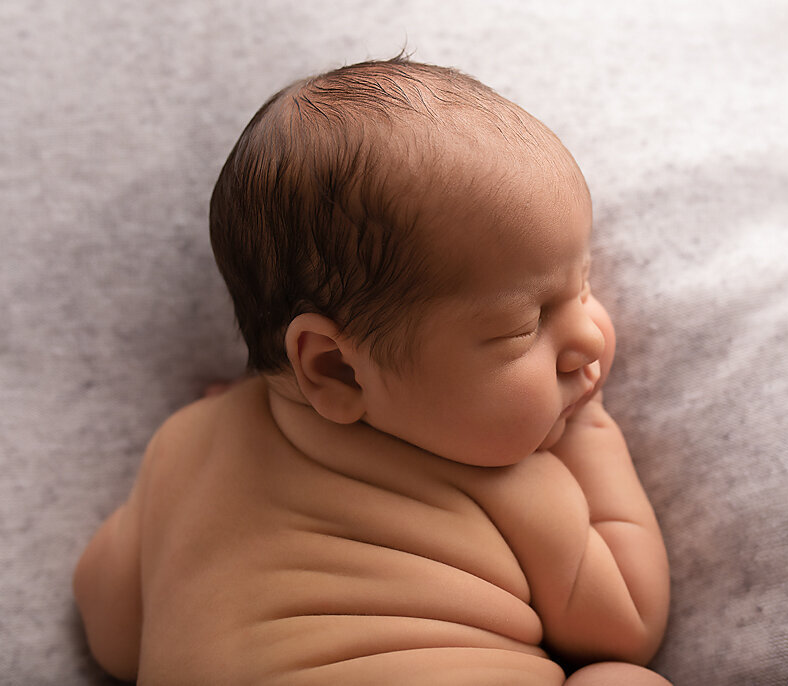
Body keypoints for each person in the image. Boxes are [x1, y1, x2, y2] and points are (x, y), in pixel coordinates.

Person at [73, 57, 671, 686]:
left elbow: (111, 632)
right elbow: (628, 625)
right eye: (523, 326)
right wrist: (590, 432)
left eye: (580, 286)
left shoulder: (182, 445)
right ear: (336, 370)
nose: (586, 334)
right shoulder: (502, 479)